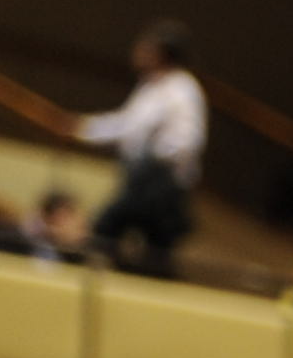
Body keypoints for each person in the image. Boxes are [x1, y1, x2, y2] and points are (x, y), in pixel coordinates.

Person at [74, 21, 206, 276]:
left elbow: (187, 141)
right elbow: (126, 124)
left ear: (162, 54)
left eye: (147, 48)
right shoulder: (151, 86)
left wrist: (154, 158)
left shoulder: (182, 90)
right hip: (141, 177)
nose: (139, 52)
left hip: (160, 183)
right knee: (146, 247)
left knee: (111, 228)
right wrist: (83, 128)